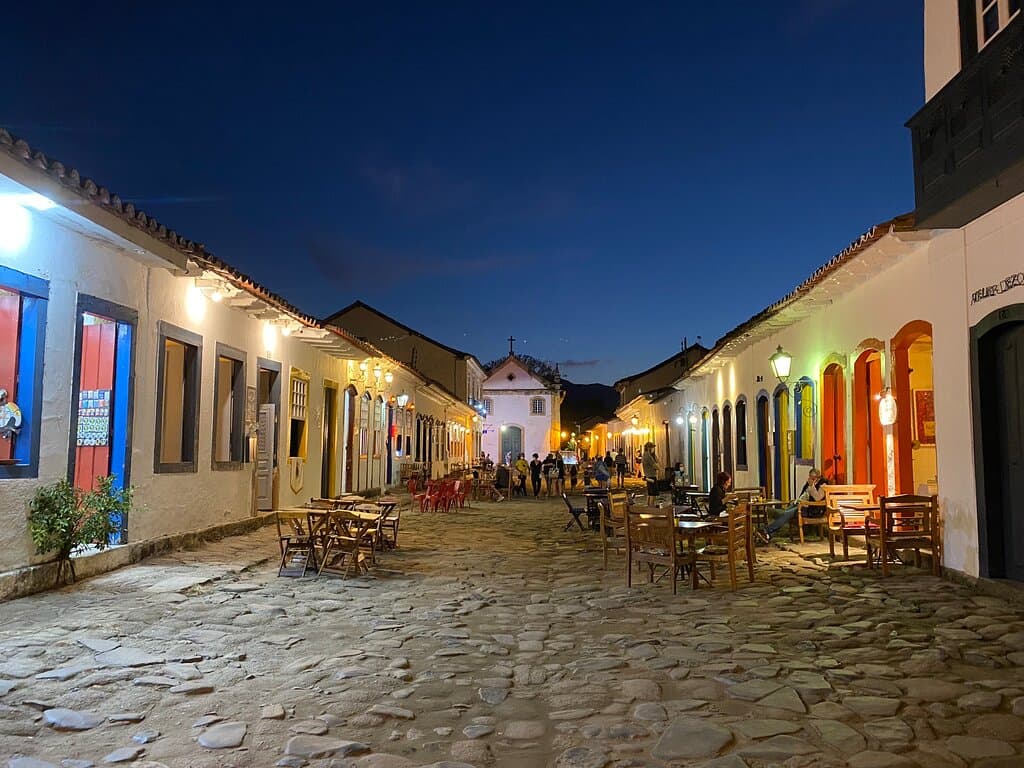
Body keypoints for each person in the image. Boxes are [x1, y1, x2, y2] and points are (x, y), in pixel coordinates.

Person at [761, 468, 828, 540]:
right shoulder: (809, 483)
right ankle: (768, 534)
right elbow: (803, 495)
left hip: (811, 510)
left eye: (813, 478)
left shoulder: (823, 484)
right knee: (784, 514)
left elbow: (818, 498)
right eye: (810, 477)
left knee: (785, 514)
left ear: (818, 478)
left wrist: (812, 486)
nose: (811, 479)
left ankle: (766, 530)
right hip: (801, 505)